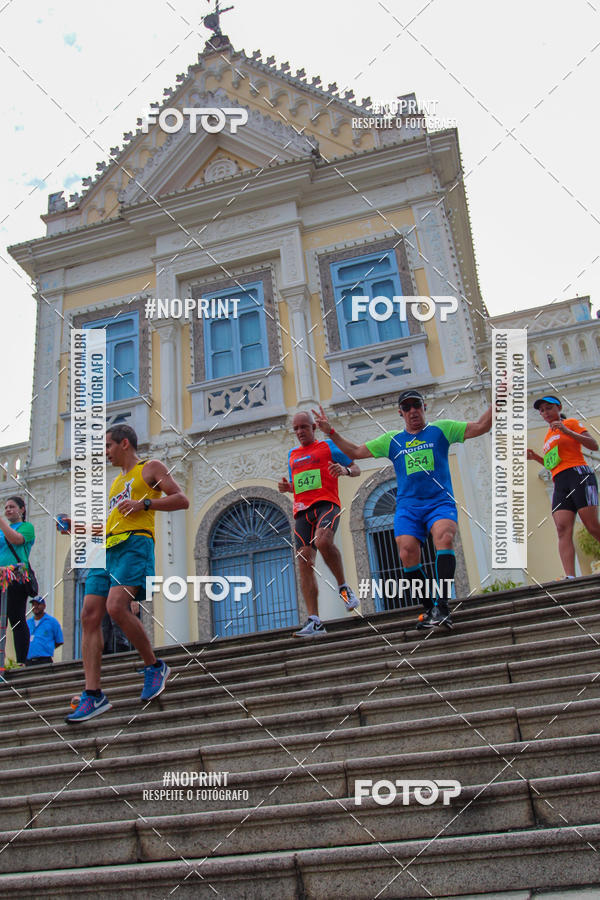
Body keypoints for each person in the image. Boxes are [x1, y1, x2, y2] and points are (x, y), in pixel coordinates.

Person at [312, 390, 492, 630]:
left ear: (424, 407)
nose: (412, 411)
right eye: (406, 408)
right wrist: (331, 432)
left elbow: (480, 426)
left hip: (439, 502)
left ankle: (443, 606)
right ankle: (429, 609)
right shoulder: (393, 440)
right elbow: (355, 452)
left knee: (445, 537)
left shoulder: (441, 430)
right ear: (400, 413)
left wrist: (500, 398)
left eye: (416, 405)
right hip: (409, 507)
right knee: (407, 552)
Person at [61, 424, 189, 723]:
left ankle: (154, 666)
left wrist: (146, 502)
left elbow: (181, 499)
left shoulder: (151, 468)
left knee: (115, 606)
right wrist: (76, 526)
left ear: (125, 444)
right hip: (106, 547)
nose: (105, 452)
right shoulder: (117, 484)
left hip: (135, 544)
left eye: (108, 446)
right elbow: (112, 523)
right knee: (89, 615)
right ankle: (94, 695)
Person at [278, 410, 361, 637]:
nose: (299, 432)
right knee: (304, 561)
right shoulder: (292, 455)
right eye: (295, 429)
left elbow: (356, 467)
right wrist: (289, 488)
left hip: (327, 505)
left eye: (303, 427)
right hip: (303, 512)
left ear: (313, 428)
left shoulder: (328, 448)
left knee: (323, 541)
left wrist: (343, 470)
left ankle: (344, 588)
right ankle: (314, 621)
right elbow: (300, 485)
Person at [527, 395, 600, 578]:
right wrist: (535, 457)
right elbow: (553, 464)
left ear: (558, 408)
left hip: (580, 475)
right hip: (560, 480)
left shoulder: (572, 423)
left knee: (591, 524)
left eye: (548, 408)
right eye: (542, 410)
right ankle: (570, 577)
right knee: (561, 527)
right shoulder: (548, 437)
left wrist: (567, 431)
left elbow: (593, 445)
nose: (545, 413)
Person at [0, 496, 35, 664]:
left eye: (12, 507)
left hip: (16, 576)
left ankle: (22, 661)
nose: (8, 509)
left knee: (16, 619)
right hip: (0, 576)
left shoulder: (26, 527)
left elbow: (16, 540)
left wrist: (1, 522)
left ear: (22, 509)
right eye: (6, 507)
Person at [26, 596, 63, 665]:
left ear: (44, 606)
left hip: (44, 660)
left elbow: (59, 641)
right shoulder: (28, 623)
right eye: (33, 605)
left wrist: (47, 647)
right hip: (29, 660)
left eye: (38, 604)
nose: (35, 607)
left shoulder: (52, 622)